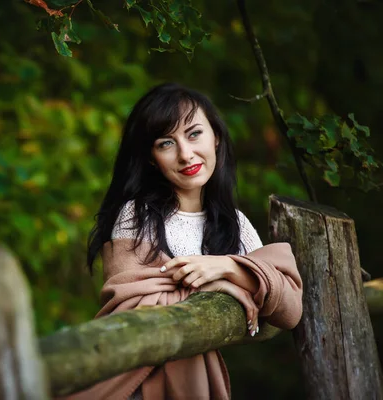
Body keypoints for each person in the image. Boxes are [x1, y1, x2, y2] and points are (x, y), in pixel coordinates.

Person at [62, 83, 303, 400]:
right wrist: (227, 285)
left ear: (215, 136)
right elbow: (136, 307)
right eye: (166, 143)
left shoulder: (235, 224)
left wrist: (228, 267)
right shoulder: (137, 216)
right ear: (152, 158)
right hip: (134, 387)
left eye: (193, 134)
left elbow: (288, 310)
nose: (185, 153)